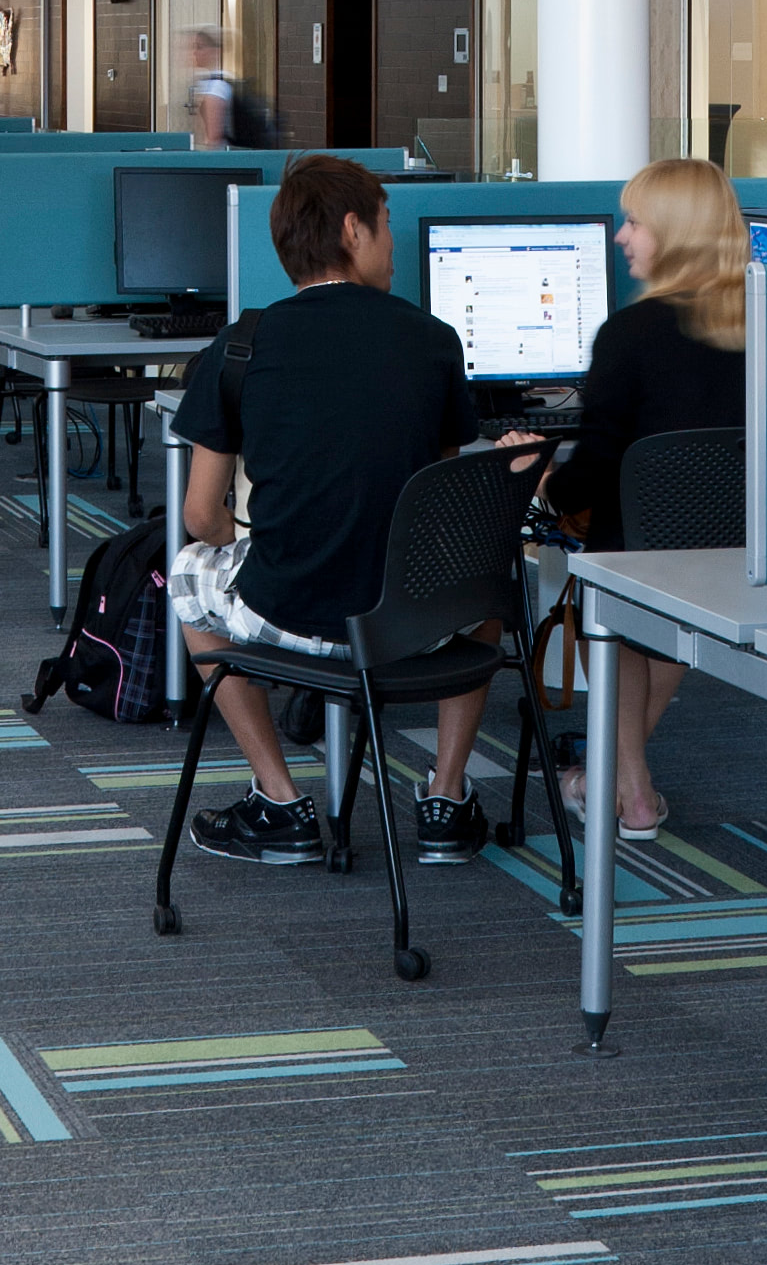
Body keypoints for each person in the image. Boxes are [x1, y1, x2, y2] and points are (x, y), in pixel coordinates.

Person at [167, 150, 542, 867]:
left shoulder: (241, 346)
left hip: (289, 609)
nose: (393, 242)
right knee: (486, 573)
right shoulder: (432, 342)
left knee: (189, 576)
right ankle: (446, 796)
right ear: (352, 230)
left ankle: (279, 802)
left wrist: (263, 536)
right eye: (386, 224)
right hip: (406, 625)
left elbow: (199, 518)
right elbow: (435, 501)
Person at [547, 156, 749, 840]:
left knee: (601, 582)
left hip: (641, 563)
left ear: (674, 233)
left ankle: (625, 792)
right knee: (640, 586)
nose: (620, 237)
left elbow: (598, 464)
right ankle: (622, 783)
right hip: (744, 556)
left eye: (634, 222)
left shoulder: (630, 335)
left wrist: (544, 483)